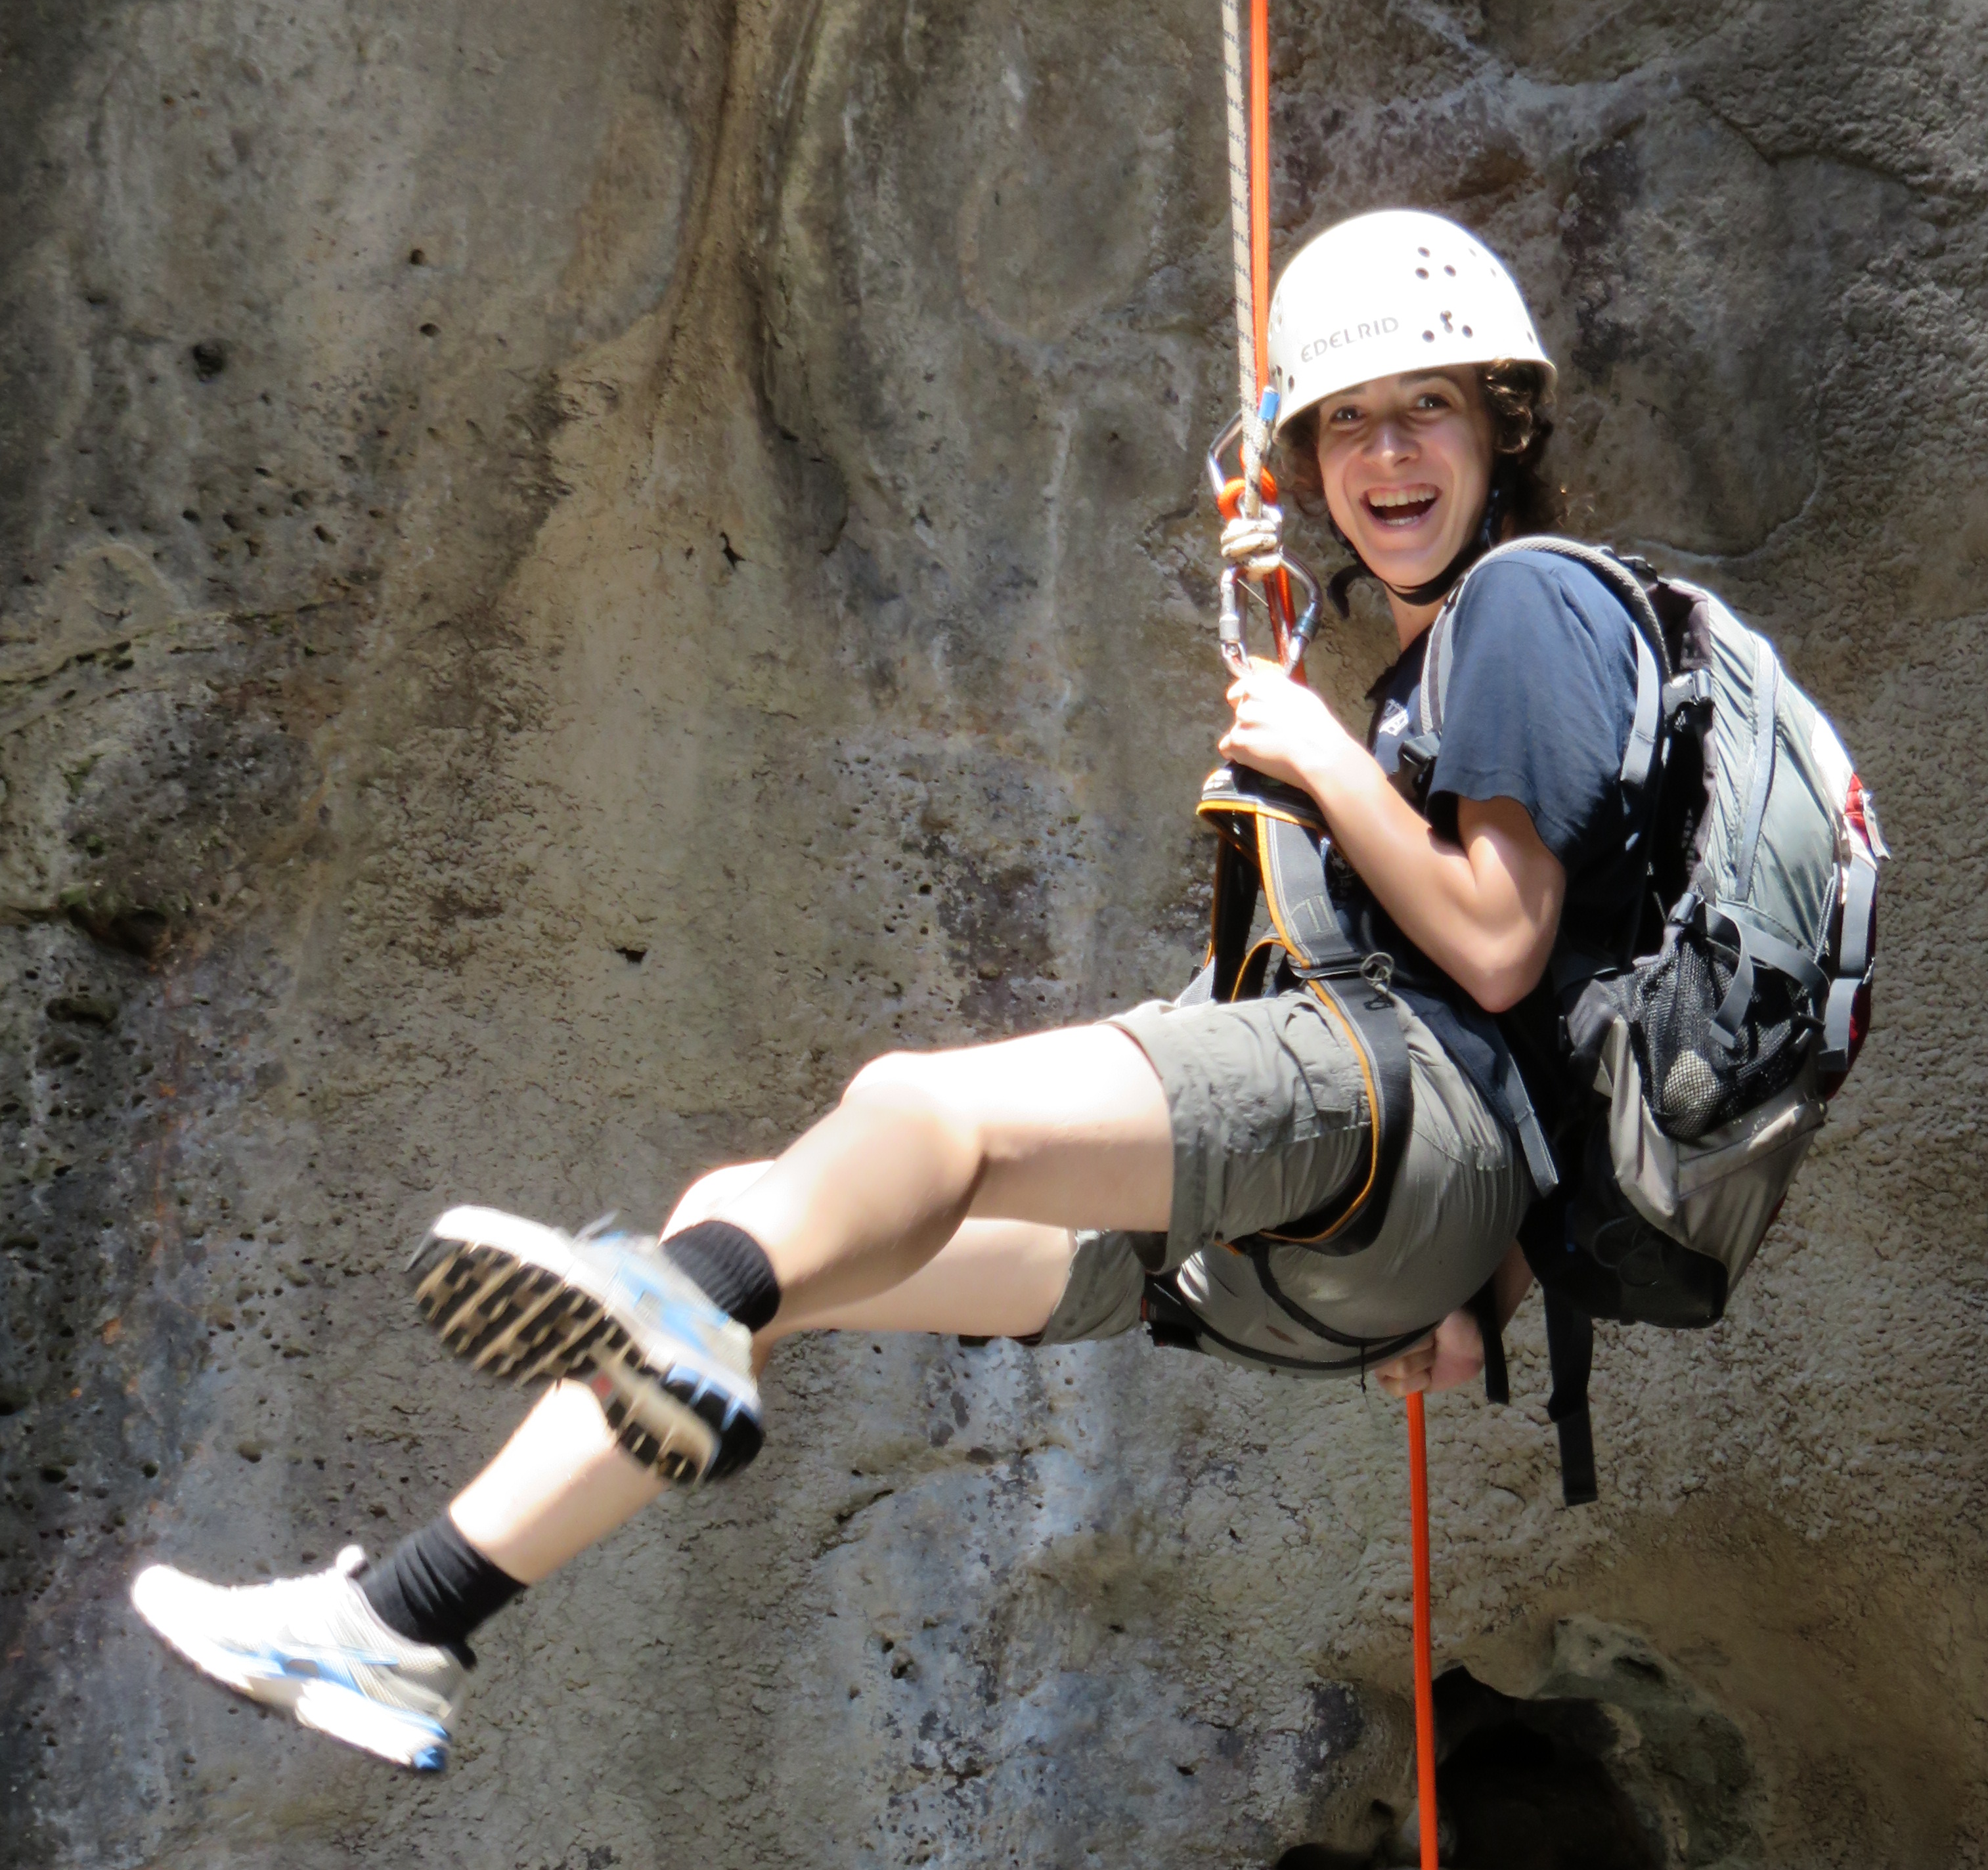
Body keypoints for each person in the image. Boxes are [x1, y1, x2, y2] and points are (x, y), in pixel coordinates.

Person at [131, 211, 1662, 1773]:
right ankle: (403, 1626)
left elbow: (1498, 944)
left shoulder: (1527, 602)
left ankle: (683, 1311)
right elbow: (1562, 1013)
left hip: (1386, 1134)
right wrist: (1471, 1294)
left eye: (1426, 409)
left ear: (1503, 424)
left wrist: (1318, 756)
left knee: (916, 1116)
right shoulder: (1438, 665)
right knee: (757, 1218)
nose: (1385, 454)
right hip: (1357, 1227)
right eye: (1346, 420)